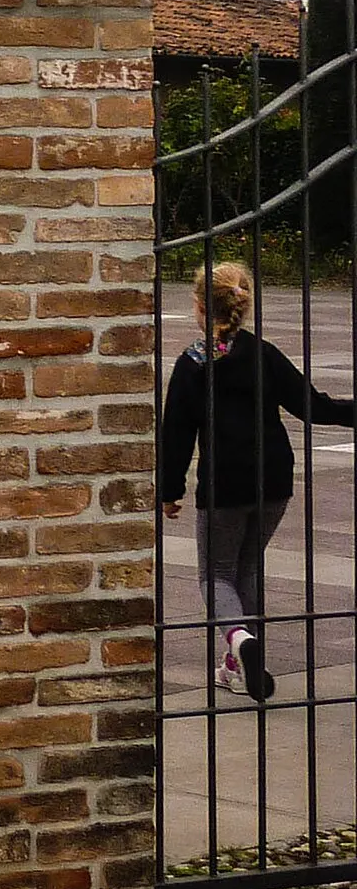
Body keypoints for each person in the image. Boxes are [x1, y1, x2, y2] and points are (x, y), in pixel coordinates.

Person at [160, 261, 356, 702]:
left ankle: (240, 640)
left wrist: (169, 490)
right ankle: (240, 666)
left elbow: (176, 433)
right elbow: (313, 406)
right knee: (246, 567)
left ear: (198, 306)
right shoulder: (264, 353)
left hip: (225, 482)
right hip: (274, 477)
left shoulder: (192, 363)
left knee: (216, 574)